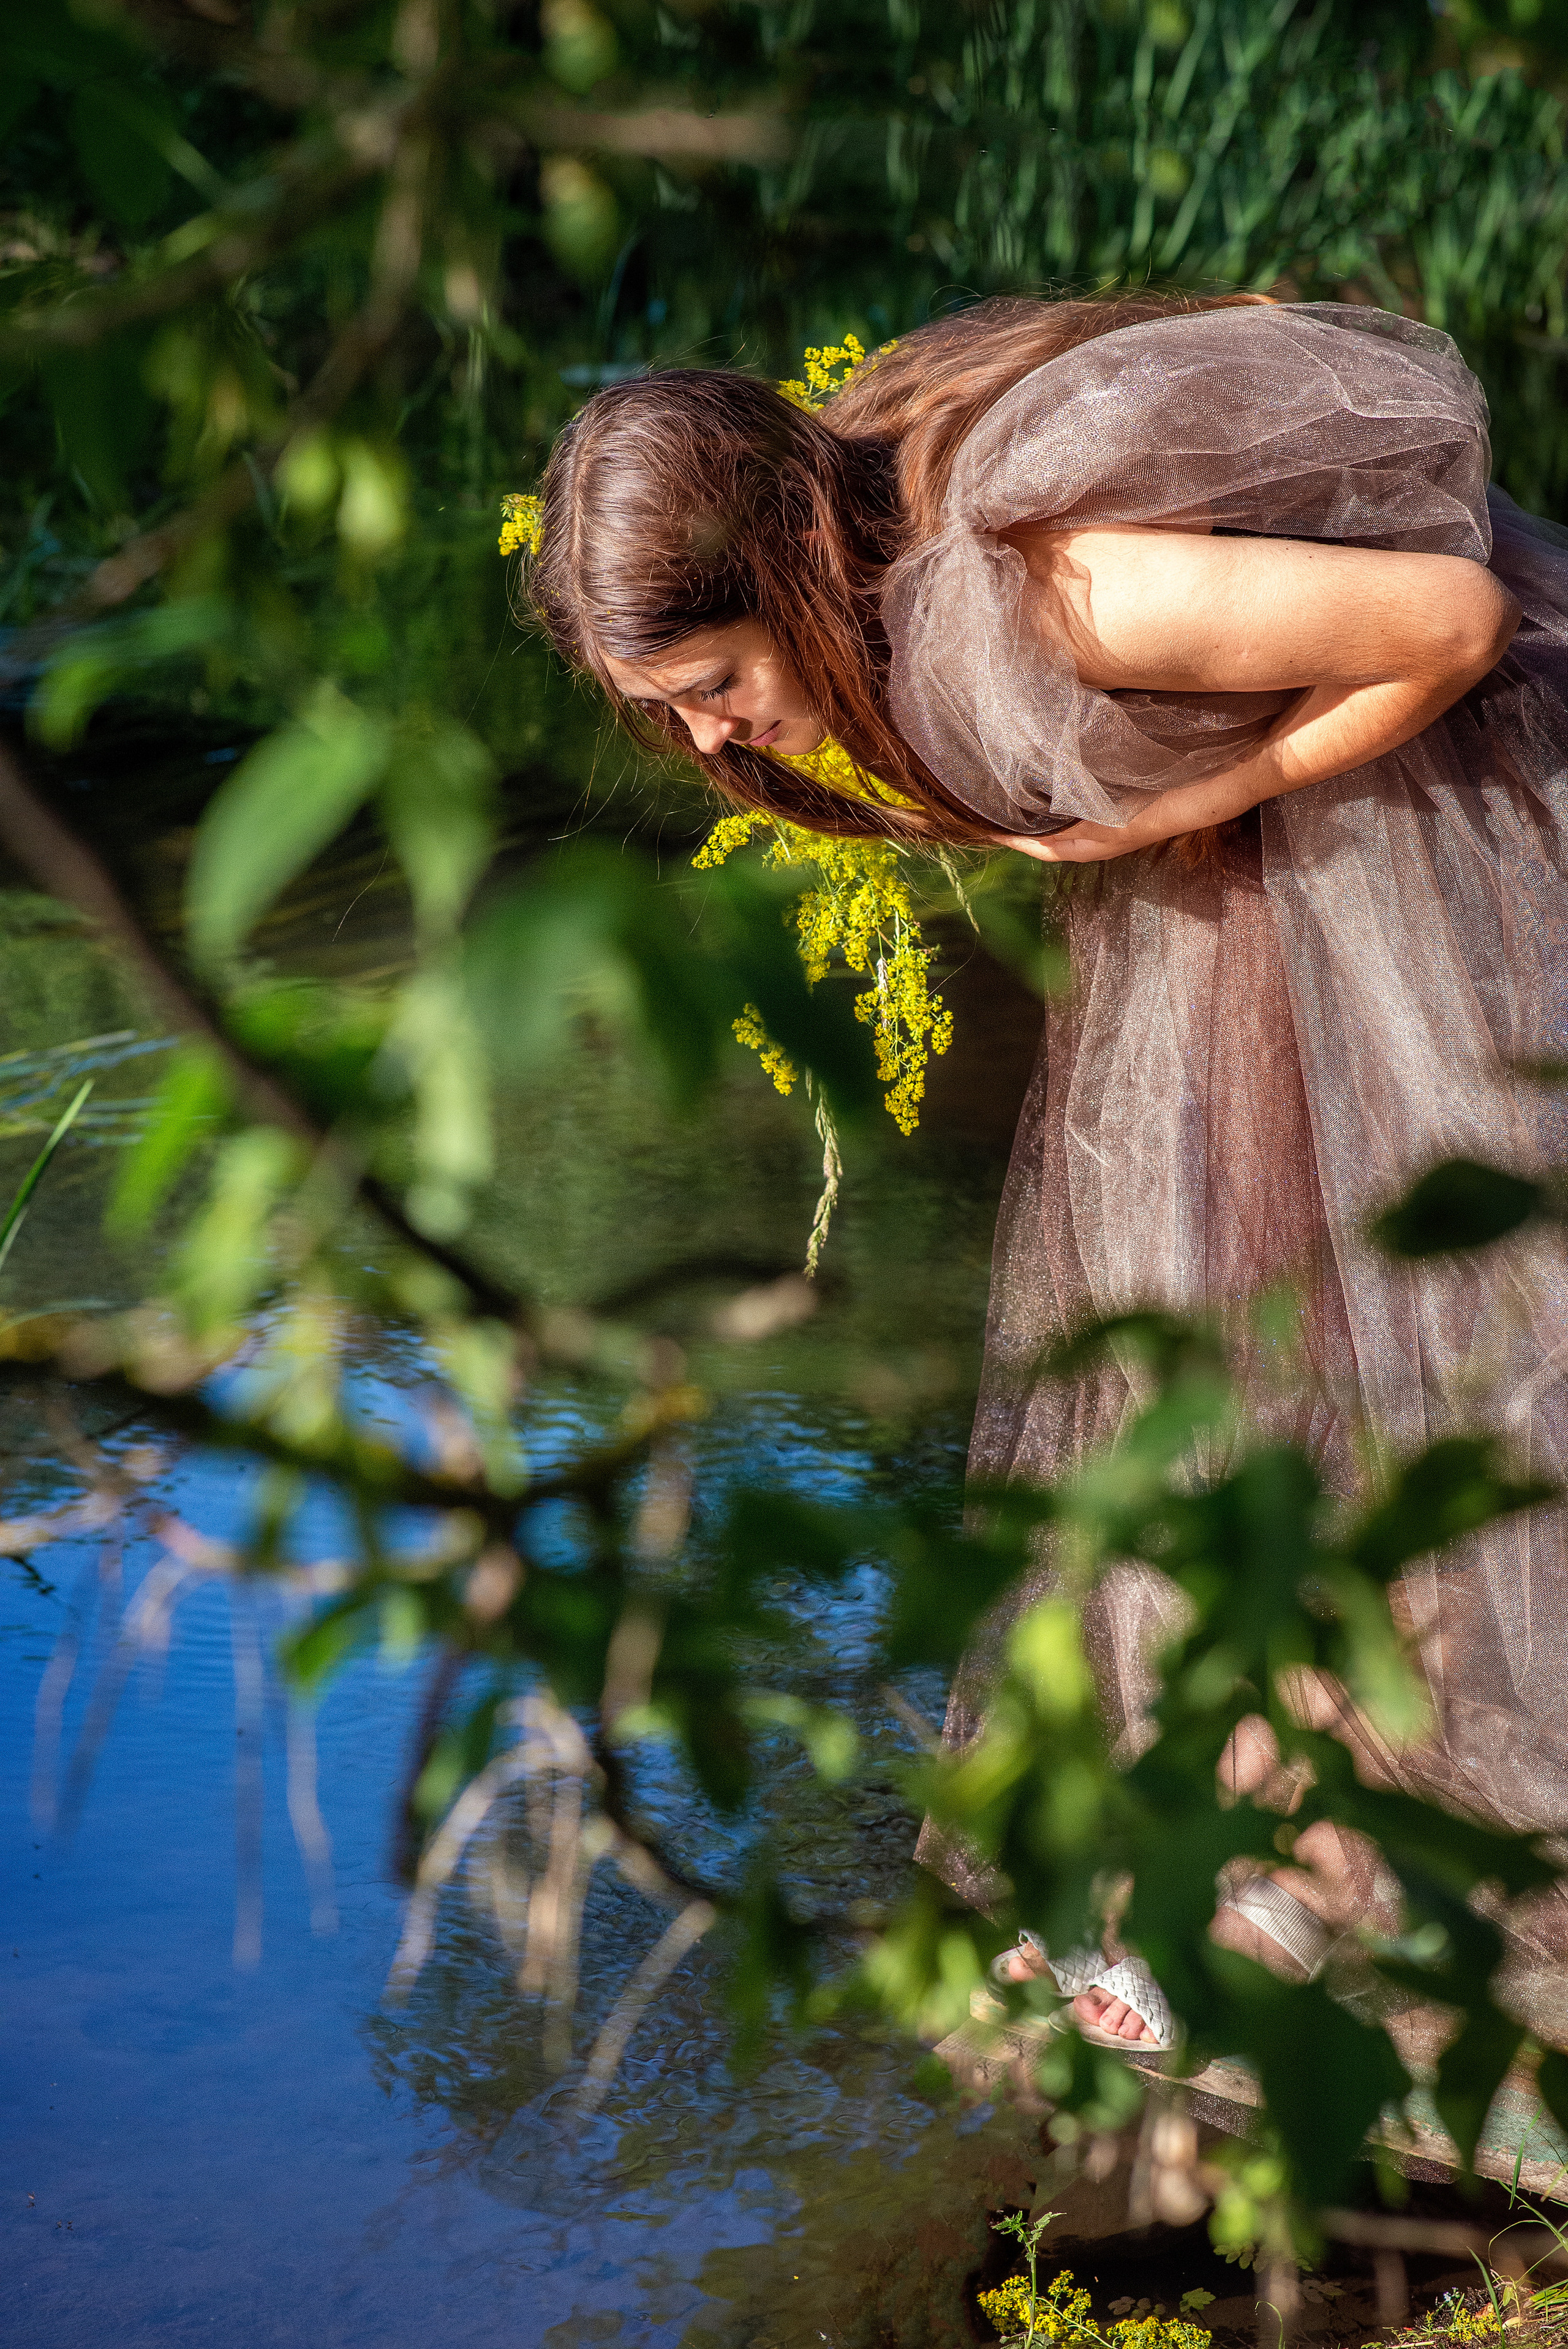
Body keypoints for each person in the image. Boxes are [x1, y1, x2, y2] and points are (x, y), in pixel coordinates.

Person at [522, 292, 1568, 2052]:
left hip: (1443, 842)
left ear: (780, 558)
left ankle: (1317, 1872)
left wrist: (1157, 817)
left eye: (707, 690)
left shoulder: (1053, 589)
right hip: (1271, 903)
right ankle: (1262, 1855)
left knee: (1418, 1363)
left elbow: (1455, 623)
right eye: (667, 714)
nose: (707, 744)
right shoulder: (875, 574)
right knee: (1251, 1387)